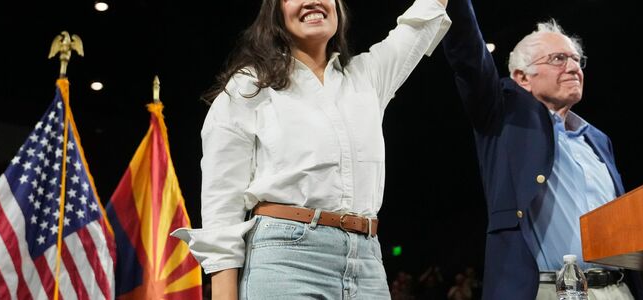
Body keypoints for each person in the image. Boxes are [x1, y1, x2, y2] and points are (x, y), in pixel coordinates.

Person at [170, 0, 451, 298]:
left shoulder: (367, 78)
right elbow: (221, 209)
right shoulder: (247, 88)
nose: (312, 1)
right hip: (285, 264)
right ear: (276, 12)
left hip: (367, 266)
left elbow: (425, 16)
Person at [441, 0, 643, 299]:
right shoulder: (502, 116)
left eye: (577, 60)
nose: (574, 68)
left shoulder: (598, 140)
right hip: (548, 291)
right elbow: (468, 55)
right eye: (559, 59)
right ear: (522, 77)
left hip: (618, 289)